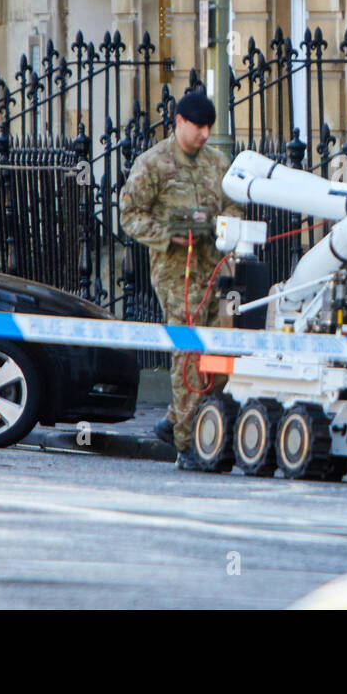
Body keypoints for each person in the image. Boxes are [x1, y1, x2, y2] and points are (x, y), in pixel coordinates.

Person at [119, 92, 233, 470]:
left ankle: (175, 420)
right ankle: (187, 444)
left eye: (208, 128)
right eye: (197, 126)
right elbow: (130, 214)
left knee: (220, 354)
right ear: (179, 121)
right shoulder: (153, 163)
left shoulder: (218, 162)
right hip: (176, 274)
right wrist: (169, 233)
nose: (204, 134)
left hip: (215, 271)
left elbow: (234, 205)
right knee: (189, 356)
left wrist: (221, 228)